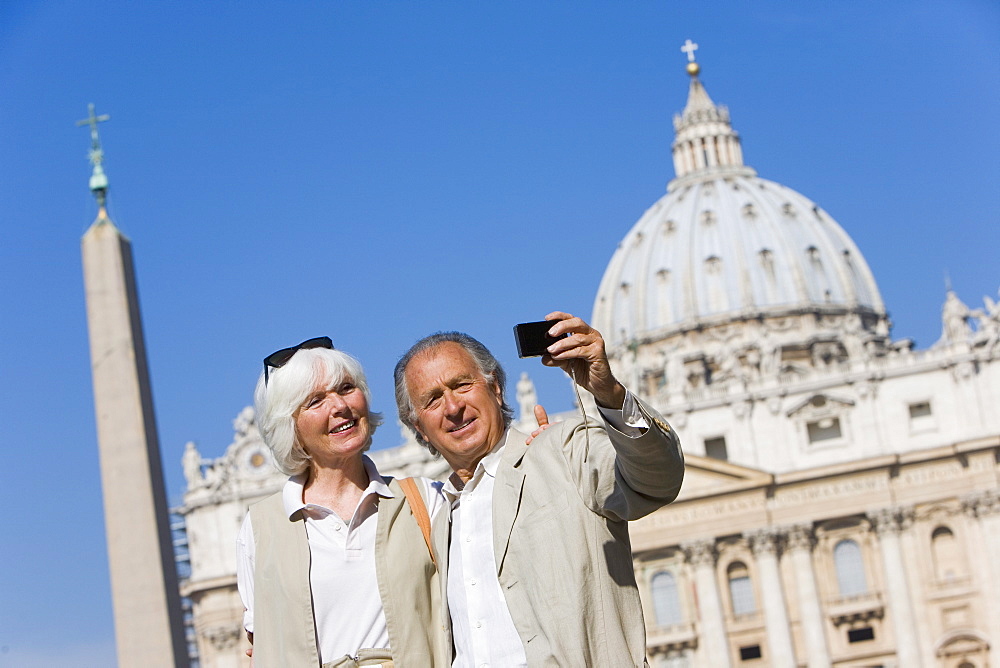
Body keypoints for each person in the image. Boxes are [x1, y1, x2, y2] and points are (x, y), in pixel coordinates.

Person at [393, 312, 685, 667]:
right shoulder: (431, 517)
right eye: (433, 400)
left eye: (462, 385)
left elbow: (657, 478)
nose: (453, 407)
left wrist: (607, 392)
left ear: (496, 388)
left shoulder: (562, 450)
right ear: (418, 427)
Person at [236, 337, 450, 668]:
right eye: (315, 400)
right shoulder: (260, 529)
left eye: (346, 387)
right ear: (289, 426)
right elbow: (261, 649)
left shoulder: (425, 500)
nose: (340, 406)